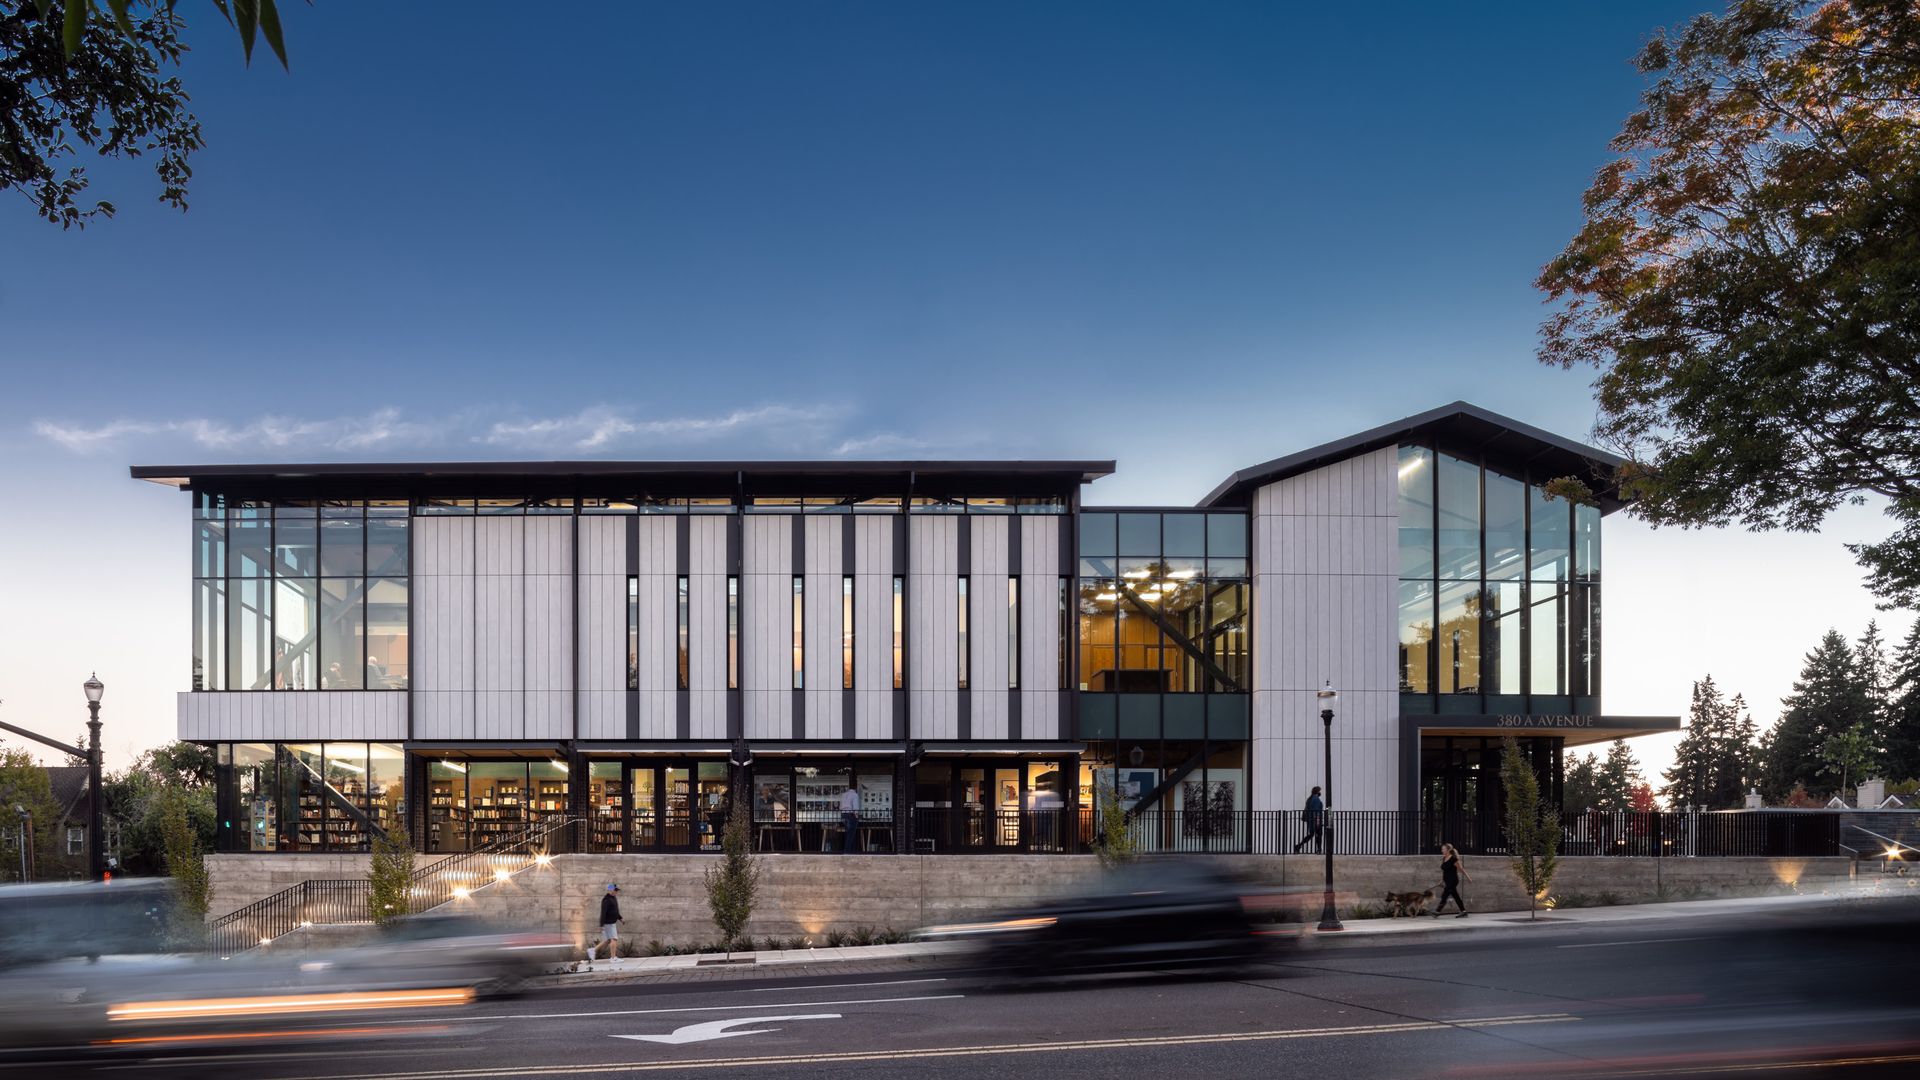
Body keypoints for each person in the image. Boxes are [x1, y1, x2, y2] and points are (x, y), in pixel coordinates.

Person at [583, 883, 622, 968]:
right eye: (615, 890)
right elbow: (603, 913)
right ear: (610, 890)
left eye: (616, 890)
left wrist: (620, 918)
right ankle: (613, 958)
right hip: (609, 923)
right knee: (614, 939)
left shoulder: (613, 898)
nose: (616, 892)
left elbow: (615, 911)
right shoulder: (606, 900)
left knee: (607, 940)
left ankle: (592, 950)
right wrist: (601, 925)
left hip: (611, 922)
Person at [1434, 843, 1471, 917]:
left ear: (1448, 850)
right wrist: (1442, 881)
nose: (1442, 850)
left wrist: (1468, 877)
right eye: (1442, 849)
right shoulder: (1444, 858)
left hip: (1453, 880)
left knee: (1445, 895)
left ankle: (1437, 911)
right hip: (1447, 881)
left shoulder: (1453, 859)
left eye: (1443, 849)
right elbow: (1445, 872)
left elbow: (1461, 869)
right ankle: (1463, 911)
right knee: (1456, 896)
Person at [1292, 786, 1325, 853]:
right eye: (1319, 791)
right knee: (1318, 835)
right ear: (1317, 792)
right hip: (1316, 820)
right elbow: (1316, 812)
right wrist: (1319, 822)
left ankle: (1298, 846)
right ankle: (1319, 850)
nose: (1320, 792)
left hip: (1311, 821)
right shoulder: (1316, 799)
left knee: (1312, 835)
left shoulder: (1310, 799)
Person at [839, 783, 862, 853]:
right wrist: (857, 817)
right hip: (850, 815)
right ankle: (848, 851)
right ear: (855, 789)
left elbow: (840, 806)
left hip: (843, 815)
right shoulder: (855, 795)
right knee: (851, 834)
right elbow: (855, 808)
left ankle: (845, 849)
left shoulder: (844, 795)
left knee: (847, 833)